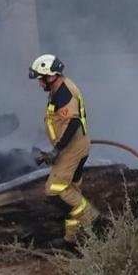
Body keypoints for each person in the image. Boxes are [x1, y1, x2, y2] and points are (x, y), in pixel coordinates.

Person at [29, 53, 100, 245]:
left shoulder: (64, 93)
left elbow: (73, 123)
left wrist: (56, 150)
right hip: (73, 147)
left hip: (71, 149)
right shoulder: (58, 88)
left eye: (41, 79)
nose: (39, 84)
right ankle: (71, 239)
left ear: (51, 76)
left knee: (55, 190)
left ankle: (92, 218)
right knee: (71, 191)